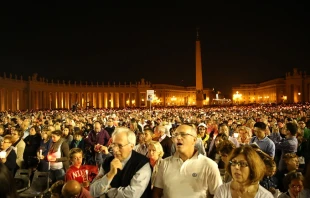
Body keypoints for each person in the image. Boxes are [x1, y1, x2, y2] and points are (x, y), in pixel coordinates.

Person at [153, 124, 222, 198]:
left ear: (194, 140)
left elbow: (217, 194)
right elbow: (157, 192)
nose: (178, 138)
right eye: (175, 135)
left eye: (183, 134)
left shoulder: (209, 165)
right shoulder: (164, 163)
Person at [90, 127, 152, 198]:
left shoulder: (142, 164)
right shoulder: (107, 161)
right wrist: (110, 174)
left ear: (131, 146)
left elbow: (131, 195)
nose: (115, 149)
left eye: (120, 146)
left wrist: (107, 191)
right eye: (113, 144)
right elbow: (93, 191)